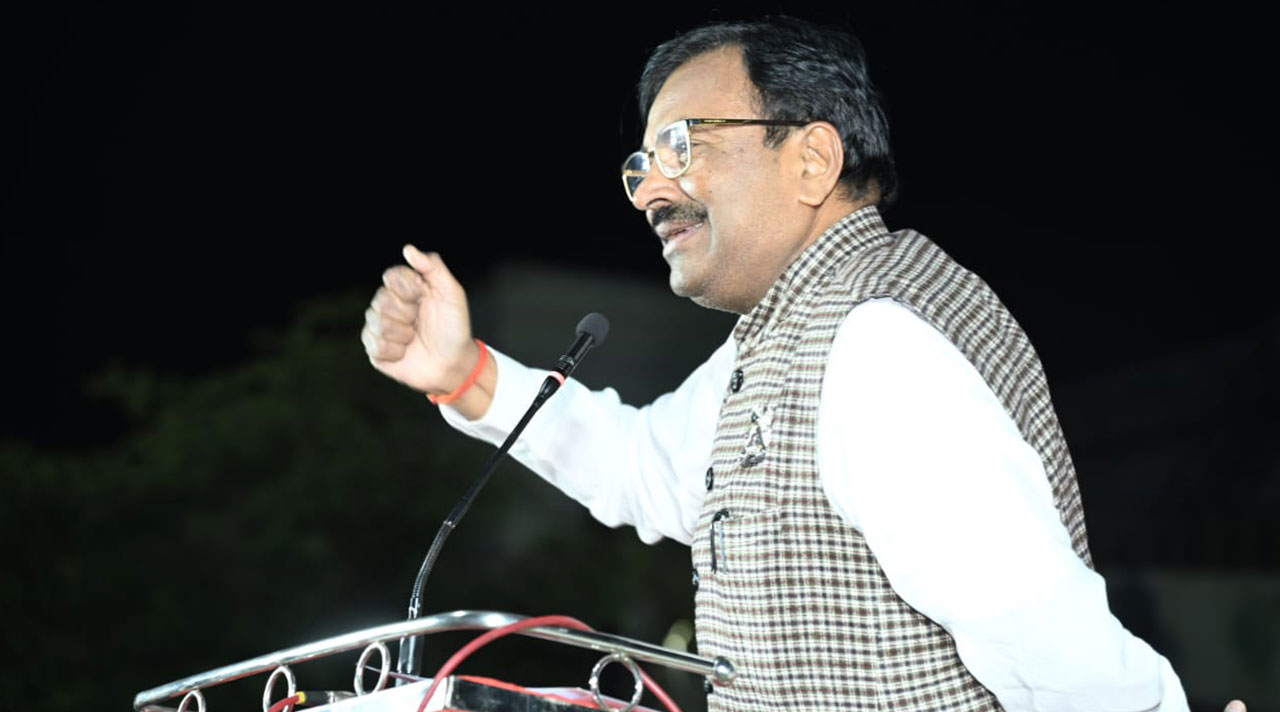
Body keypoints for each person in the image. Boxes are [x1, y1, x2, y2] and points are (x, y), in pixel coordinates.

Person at [361, 16, 1205, 712]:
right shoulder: (787, 333)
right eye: (641, 165)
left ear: (811, 160)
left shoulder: (877, 339)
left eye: (682, 146)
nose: (650, 191)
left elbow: (1031, 622)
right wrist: (466, 374)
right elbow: (648, 468)